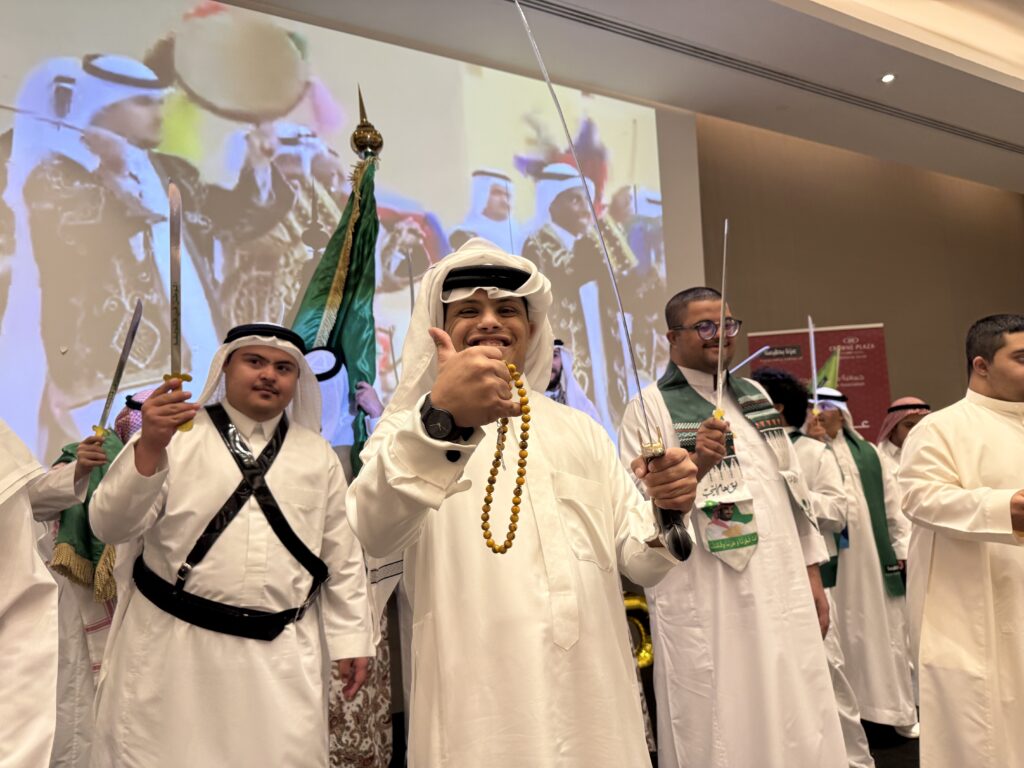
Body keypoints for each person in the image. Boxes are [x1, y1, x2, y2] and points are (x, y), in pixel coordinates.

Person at [347, 238, 697, 767]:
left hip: (595, 701)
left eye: (507, 310)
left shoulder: (581, 429)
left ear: (532, 329)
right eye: (469, 310)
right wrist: (444, 420)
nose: (490, 321)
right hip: (478, 708)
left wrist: (668, 507)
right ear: (439, 328)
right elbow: (374, 529)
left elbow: (639, 559)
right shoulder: (407, 428)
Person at [88, 323, 374, 767]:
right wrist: (150, 448)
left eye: (283, 368)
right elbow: (110, 525)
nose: (269, 375)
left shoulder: (318, 457)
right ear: (225, 366)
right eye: (254, 361)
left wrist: (352, 637)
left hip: (280, 664)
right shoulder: (174, 438)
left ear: (296, 381)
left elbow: (342, 559)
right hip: (172, 656)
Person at [18, 54, 294, 456]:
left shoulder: (173, 172)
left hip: (196, 359)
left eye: (160, 101)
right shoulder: (56, 170)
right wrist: (113, 169)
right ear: (105, 106)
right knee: (115, 476)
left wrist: (259, 162)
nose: (158, 112)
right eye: (144, 103)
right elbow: (89, 223)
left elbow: (239, 219)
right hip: (107, 377)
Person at [619, 286, 844, 768]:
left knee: (796, 698)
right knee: (724, 707)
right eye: (704, 326)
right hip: (708, 592)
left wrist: (812, 574)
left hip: (783, 582)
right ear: (671, 337)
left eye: (727, 324)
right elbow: (639, 507)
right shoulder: (649, 406)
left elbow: (793, 490)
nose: (718, 334)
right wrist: (696, 462)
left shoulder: (756, 397)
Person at [900, 314, 1024, 768]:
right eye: (1022, 358)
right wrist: (1006, 508)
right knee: (984, 733)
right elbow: (919, 498)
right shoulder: (941, 428)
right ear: (981, 365)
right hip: (973, 610)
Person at [753, 368, 876, 768]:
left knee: (827, 670)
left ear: (775, 408)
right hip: (763, 578)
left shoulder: (812, 451)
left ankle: (854, 760)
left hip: (813, 579)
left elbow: (839, 511)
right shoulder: (746, 452)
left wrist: (793, 495)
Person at [28, 392, 152, 768]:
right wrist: (80, 471)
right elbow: (32, 502)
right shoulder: (84, 459)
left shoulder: (173, 469)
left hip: (147, 617)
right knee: (75, 717)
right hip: (76, 615)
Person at [815, 386, 918, 738]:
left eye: (827, 407)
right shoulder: (808, 451)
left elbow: (893, 506)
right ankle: (848, 719)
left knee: (882, 631)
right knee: (841, 633)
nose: (820, 413)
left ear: (843, 414)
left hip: (872, 561)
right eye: (815, 407)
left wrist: (900, 550)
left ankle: (891, 710)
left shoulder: (869, 454)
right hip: (831, 563)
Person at [520, 163, 636, 436]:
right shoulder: (538, 243)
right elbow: (568, 274)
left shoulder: (592, 240)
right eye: (575, 200)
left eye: (586, 199)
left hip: (602, 340)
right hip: (570, 344)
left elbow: (623, 279)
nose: (585, 208)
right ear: (552, 204)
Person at [448, 169, 517, 251]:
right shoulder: (463, 235)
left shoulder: (519, 235)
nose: (504, 201)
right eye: (497, 193)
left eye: (507, 195)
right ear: (481, 195)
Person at [544, 339, 600, 424]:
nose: (550, 363)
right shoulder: (528, 405)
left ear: (563, 360)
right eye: (544, 357)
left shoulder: (582, 407)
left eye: (555, 355)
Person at [876, 396, 930, 474]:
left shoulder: (931, 453)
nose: (915, 430)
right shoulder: (877, 458)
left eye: (920, 425)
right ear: (893, 427)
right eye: (909, 425)